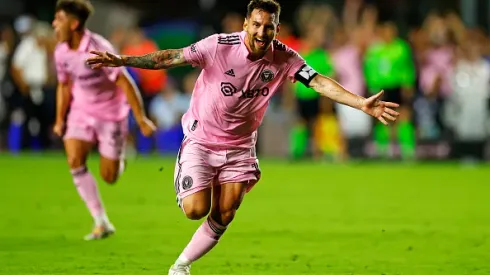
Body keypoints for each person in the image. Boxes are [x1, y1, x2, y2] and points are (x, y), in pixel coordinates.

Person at [87, 0, 399, 273]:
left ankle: (181, 266)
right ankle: (190, 173)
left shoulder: (284, 57)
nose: (263, 32)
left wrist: (362, 104)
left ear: (277, 29)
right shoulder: (219, 46)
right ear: (246, 24)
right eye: (258, 25)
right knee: (196, 209)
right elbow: (170, 58)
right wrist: (123, 60)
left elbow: (317, 81)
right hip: (201, 139)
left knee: (225, 212)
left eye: (270, 27)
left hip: (239, 147)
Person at [52, 0, 155, 241]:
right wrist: (59, 119)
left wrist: (141, 119)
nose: (54, 24)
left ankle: (119, 160)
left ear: (74, 23)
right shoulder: (61, 51)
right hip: (81, 111)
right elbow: (64, 85)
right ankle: (101, 221)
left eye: (59, 19)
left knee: (109, 177)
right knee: (74, 159)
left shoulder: (97, 49)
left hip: (110, 114)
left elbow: (124, 81)